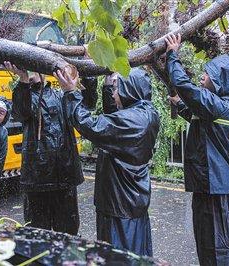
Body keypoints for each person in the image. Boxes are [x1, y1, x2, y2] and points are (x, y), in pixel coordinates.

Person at [54, 67, 160, 256]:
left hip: (119, 204)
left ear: (129, 90)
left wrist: (70, 93)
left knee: (118, 255)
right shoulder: (146, 112)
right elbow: (115, 117)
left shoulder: (130, 122)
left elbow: (90, 126)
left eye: (117, 89)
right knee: (134, 253)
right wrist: (107, 81)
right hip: (131, 201)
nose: (114, 93)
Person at [165, 33, 229, 265]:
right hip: (209, 187)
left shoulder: (221, 106)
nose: (203, 76)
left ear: (220, 79)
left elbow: (183, 85)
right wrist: (180, 105)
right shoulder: (215, 109)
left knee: (219, 251)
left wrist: (173, 55)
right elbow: (199, 118)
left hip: (219, 190)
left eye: (208, 73)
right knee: (207, 247)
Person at [3, 61, 97, 235]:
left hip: (65, 175)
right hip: (36, 178)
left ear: (44, 73)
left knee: (68, 231)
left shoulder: (62, 95)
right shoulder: (24, 94)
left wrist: (87, 70)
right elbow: (21, 112)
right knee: (38, 232)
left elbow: (88, 103)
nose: (30, 71)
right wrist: (23, 80)